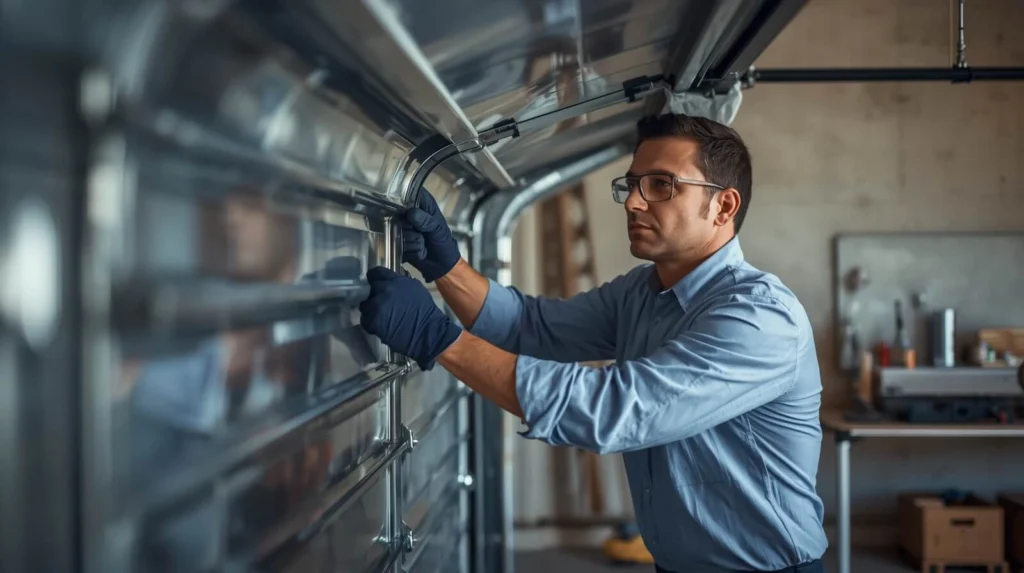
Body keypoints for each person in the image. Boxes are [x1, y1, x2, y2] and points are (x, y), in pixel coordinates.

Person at [359, 113, 827, 573]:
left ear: (724, 206)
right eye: (632, 184)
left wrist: (438, 338)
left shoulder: (760, 319)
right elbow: (532, 325)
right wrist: (449, 268)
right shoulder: (642, 293)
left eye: (662, 185)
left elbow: (613, 410)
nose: (634, 203)